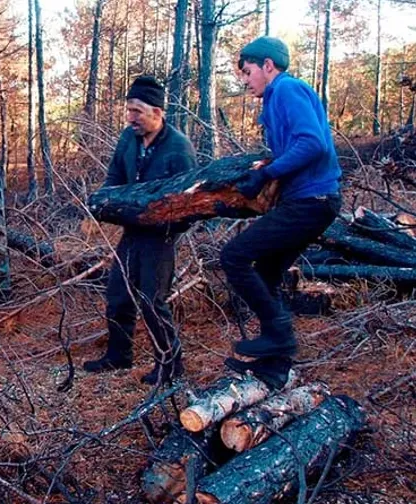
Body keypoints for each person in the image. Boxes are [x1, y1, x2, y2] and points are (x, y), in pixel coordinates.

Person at [221, 36, 342, 388]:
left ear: (267, 66)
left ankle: (281, 339)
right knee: (268, 271)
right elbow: (298, 147)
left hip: (312, 201)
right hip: (308, 201)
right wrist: (265, 170)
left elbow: (312, 143)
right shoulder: (277, 97)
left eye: (247, 72)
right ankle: (275, 367)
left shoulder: (287, 90)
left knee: (234, 256)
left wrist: (266, 174)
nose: (245, 80)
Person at [83, 75, 198, 385]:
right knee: (118, 294)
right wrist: (102, 204)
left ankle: (170, 365)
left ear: (158, 113)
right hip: (132, 230)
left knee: (152, 299)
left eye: (138, 111)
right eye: (128, 110)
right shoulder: (128, 139)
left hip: (161, 236)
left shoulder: (179, 148)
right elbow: (115, 177)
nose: (130, 118)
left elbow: (193, 202)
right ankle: (119, 356)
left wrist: (168, 225)